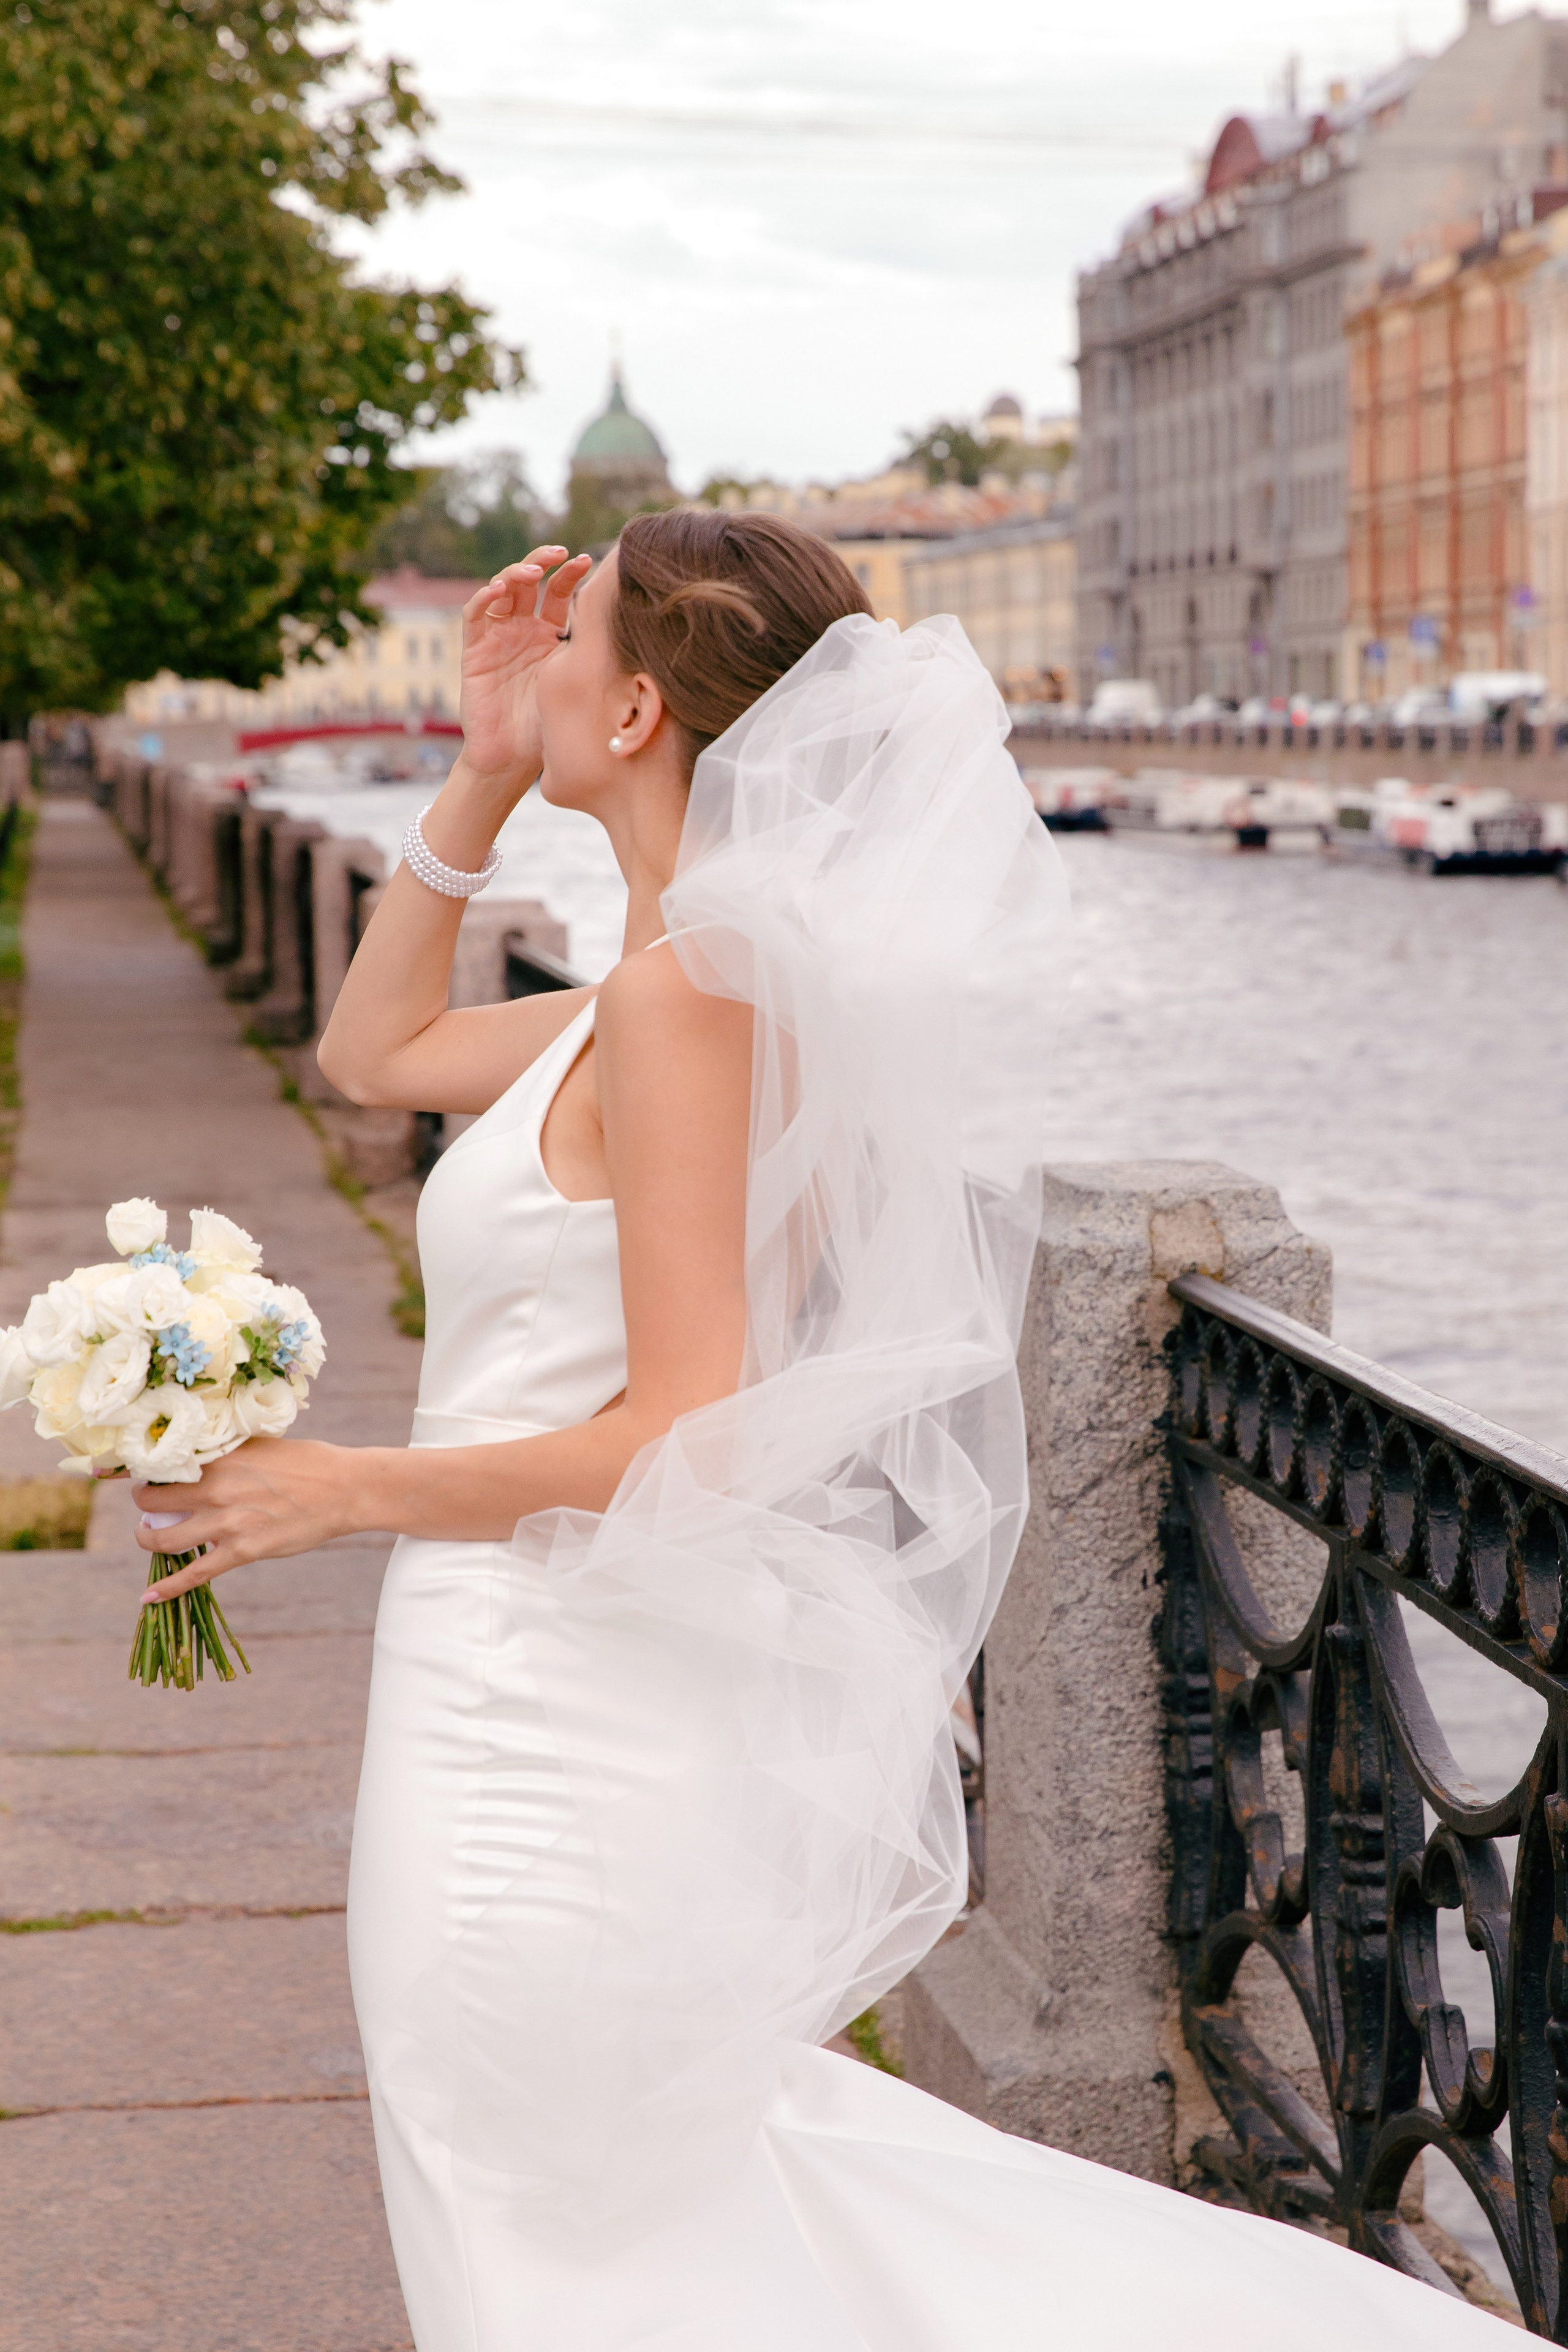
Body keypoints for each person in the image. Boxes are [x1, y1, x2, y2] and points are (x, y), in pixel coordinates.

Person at [135, 513, 1512, 2346]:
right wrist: (468, 783)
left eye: (571, 645)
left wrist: (346, 1489)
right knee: (540, 2165)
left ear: (633, 714)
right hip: (514, 1653)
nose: (532, 664)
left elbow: (693, 1425)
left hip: (552, 1696)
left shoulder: (688, 998)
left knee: (544, 2190)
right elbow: (372, 1059)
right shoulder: (654, 990)